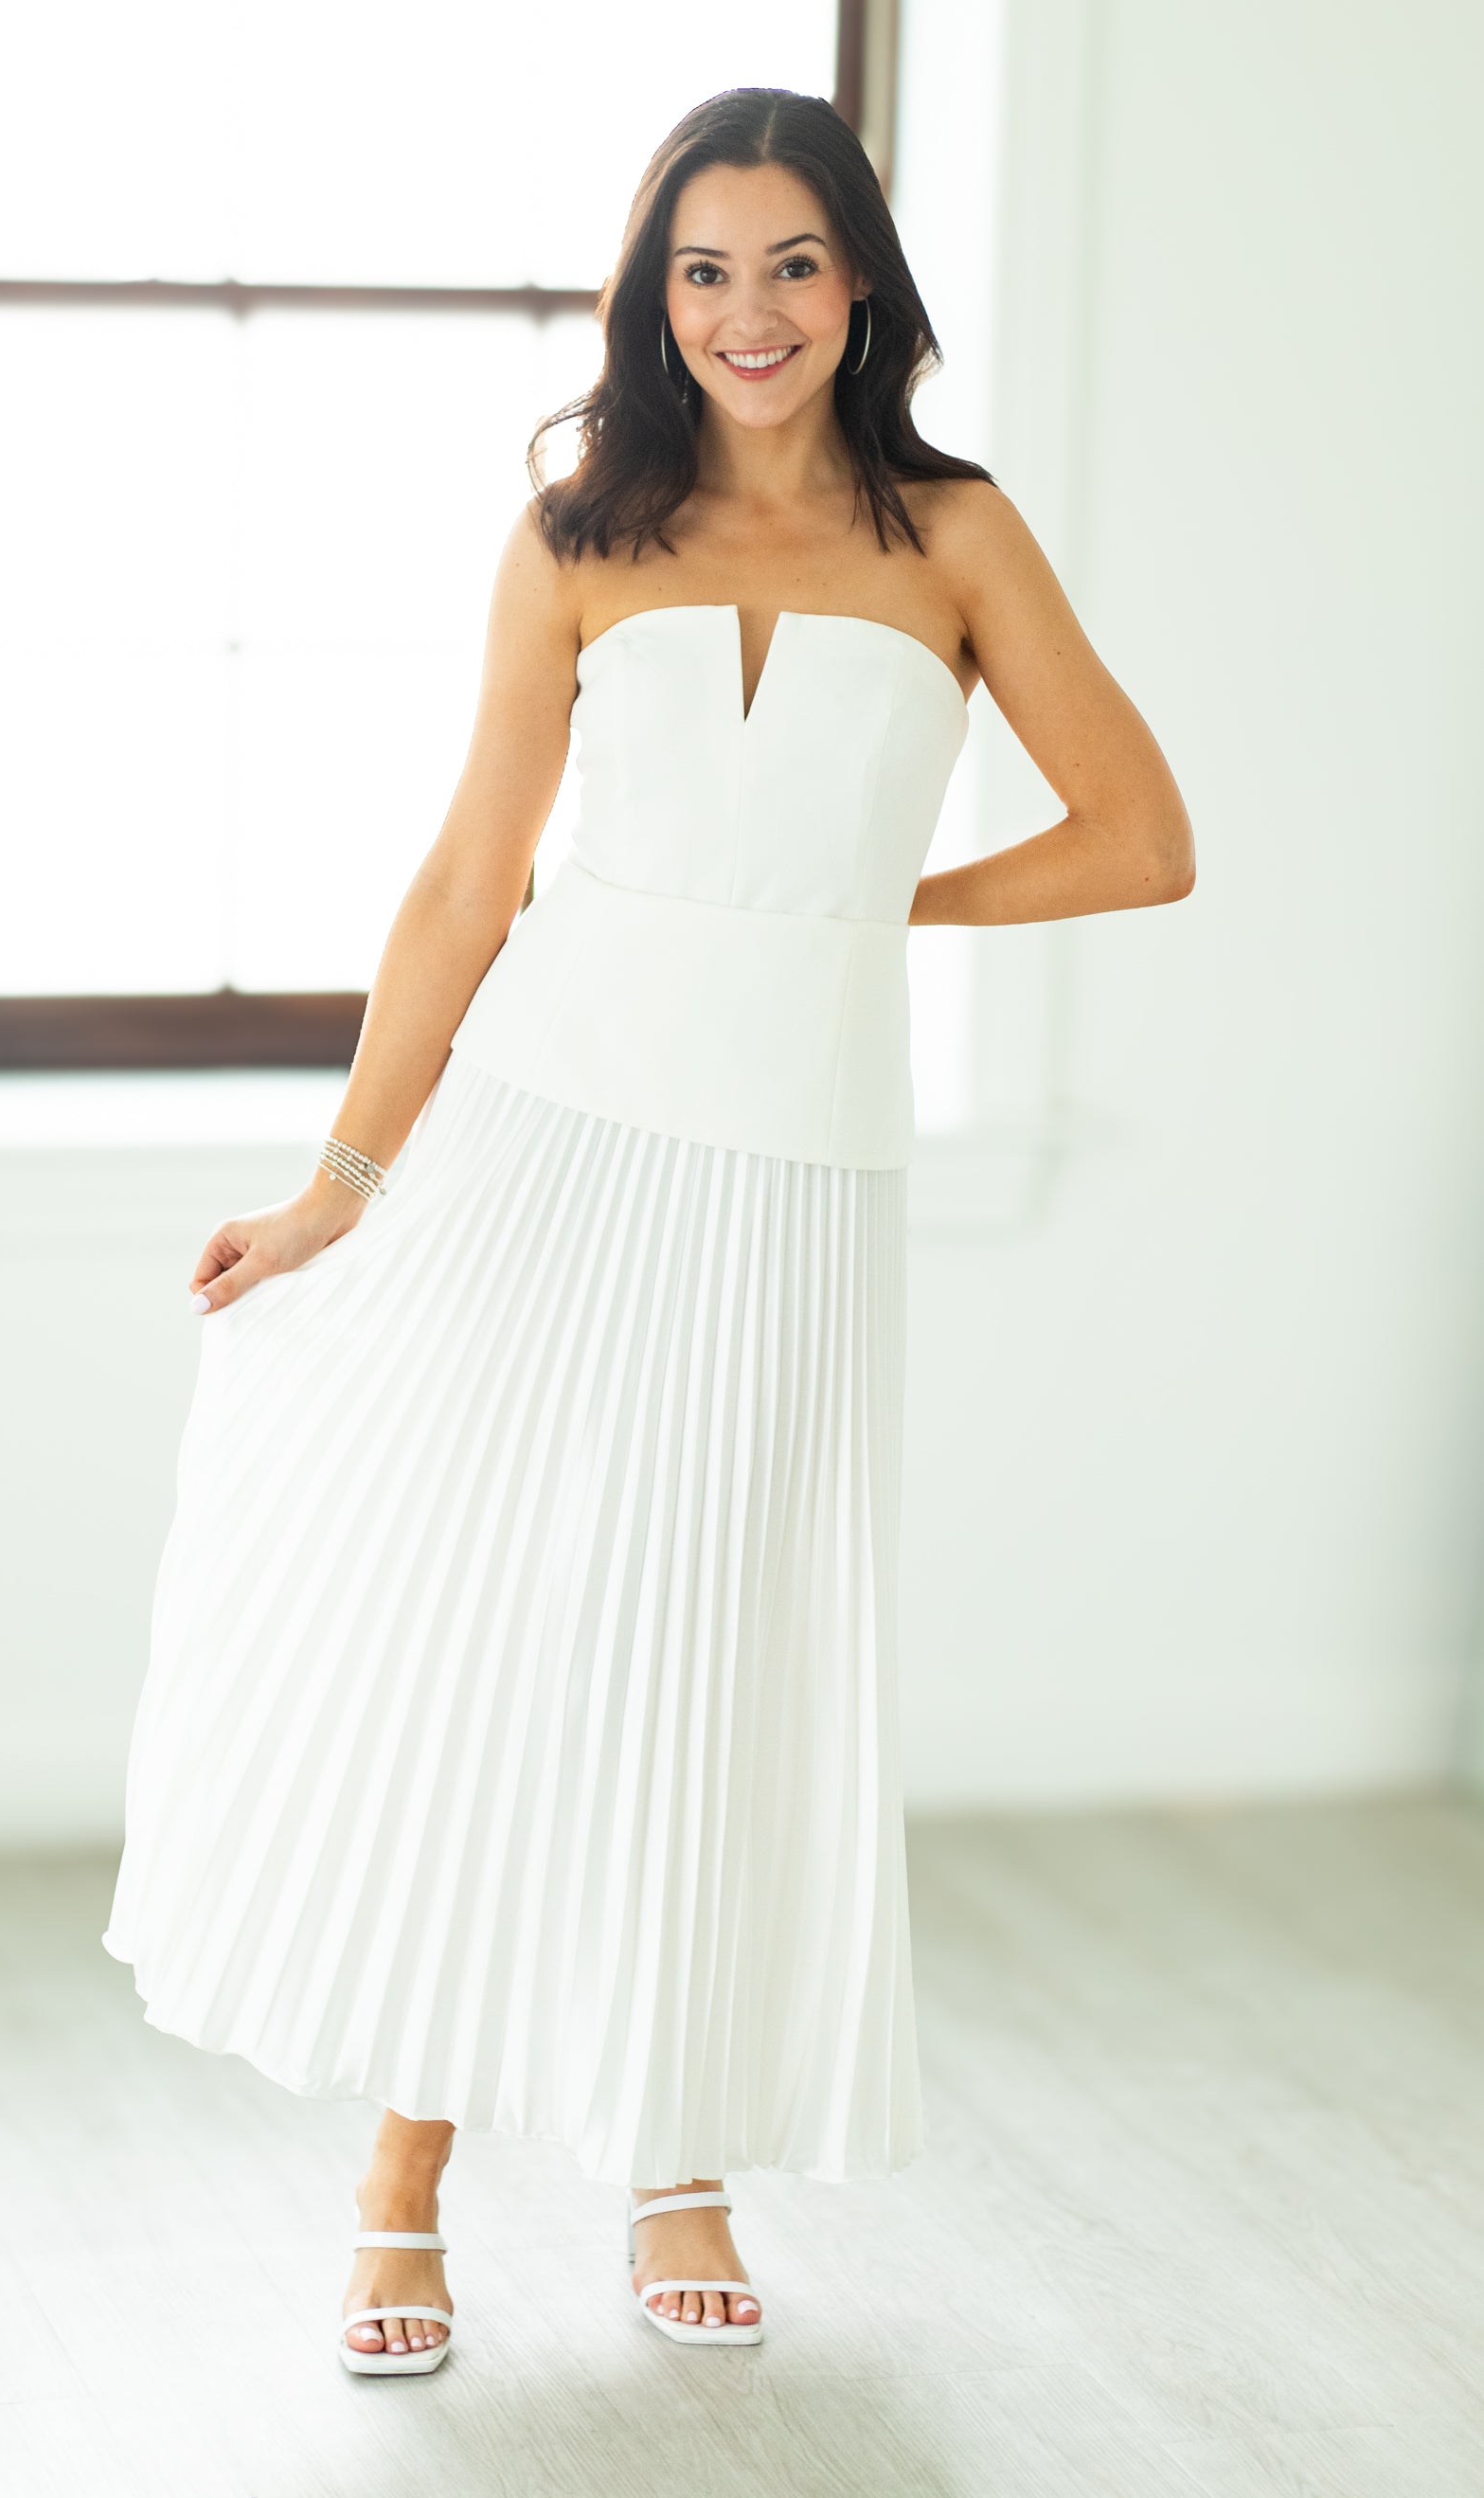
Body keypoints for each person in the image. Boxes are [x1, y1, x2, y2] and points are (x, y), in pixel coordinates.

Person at [102, 85, 1193, 2379]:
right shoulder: (580, 529)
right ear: (652, 292)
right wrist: (341, 1189)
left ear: (863, 280)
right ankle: (402, 2168)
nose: (749, 311)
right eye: (704, 268)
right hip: (538, 1138)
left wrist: (861, 908)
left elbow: (1136, 835)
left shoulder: (954, 535)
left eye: (791, 262)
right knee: (488, 1641)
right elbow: (461, 889)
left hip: (792, 1170)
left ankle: (672, 2152)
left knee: (718, 1653)